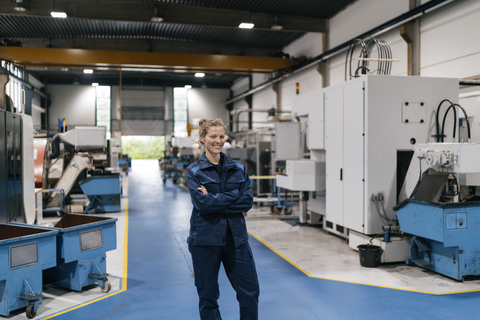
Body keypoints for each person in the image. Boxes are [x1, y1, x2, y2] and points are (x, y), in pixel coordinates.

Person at [186, 118, 260, 320]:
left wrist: (213, 198)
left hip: (237, 241)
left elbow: (246, 202)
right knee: (208, 297)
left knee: (250, 292)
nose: (218, 141)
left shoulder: (238, 168)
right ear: (202, 138)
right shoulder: (194, 171)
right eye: (212, 136)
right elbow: (202, 205)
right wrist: (232, 196)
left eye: (221, 136)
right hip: (205, 242)